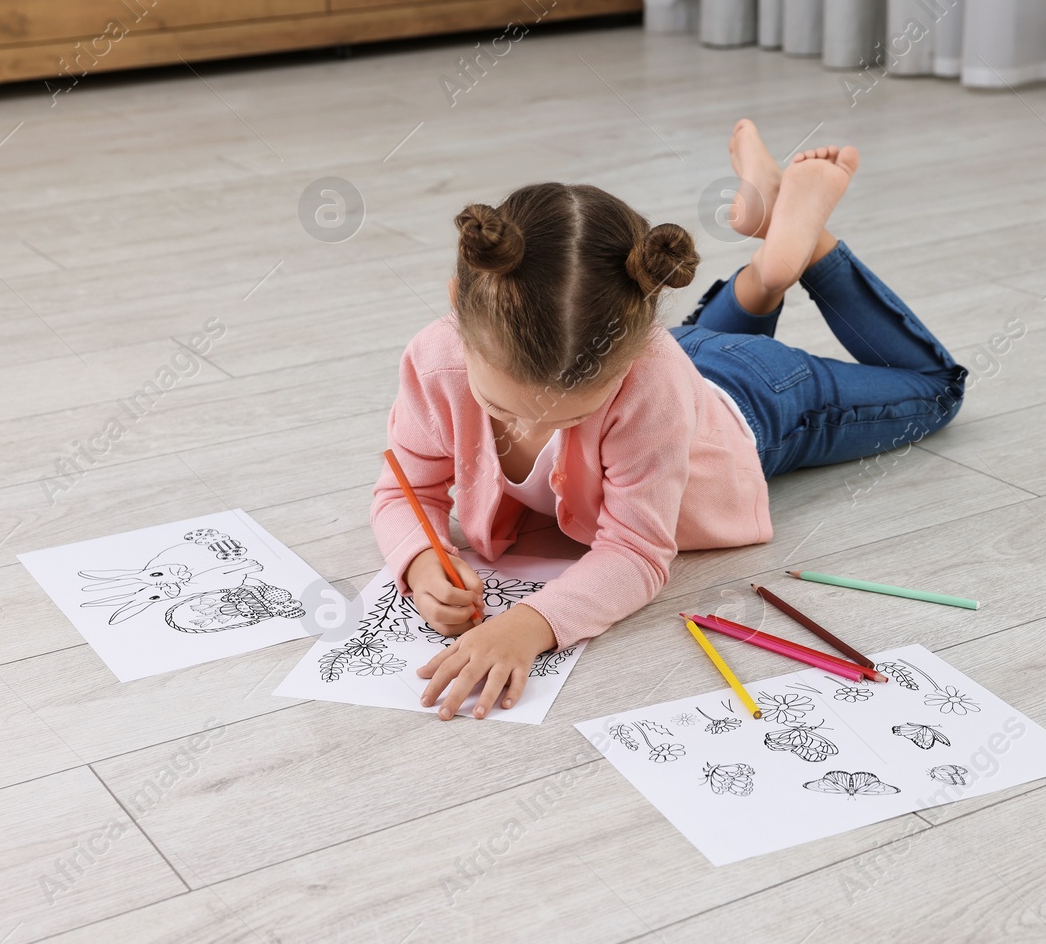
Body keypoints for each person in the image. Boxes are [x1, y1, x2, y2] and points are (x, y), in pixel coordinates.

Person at [371, 119, 967, 719]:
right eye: (502, 408)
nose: (542, 429)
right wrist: (419, 561)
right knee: (697, 346)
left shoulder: (650, 379)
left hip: (760, 398)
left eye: (574, 415)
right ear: (456, 308)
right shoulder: (437, 356)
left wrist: (531, 624)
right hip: (686, 357)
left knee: (936, 390)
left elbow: (637, 551)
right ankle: (768, 263)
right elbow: (404, 488)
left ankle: (808, 251)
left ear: (635, 353)